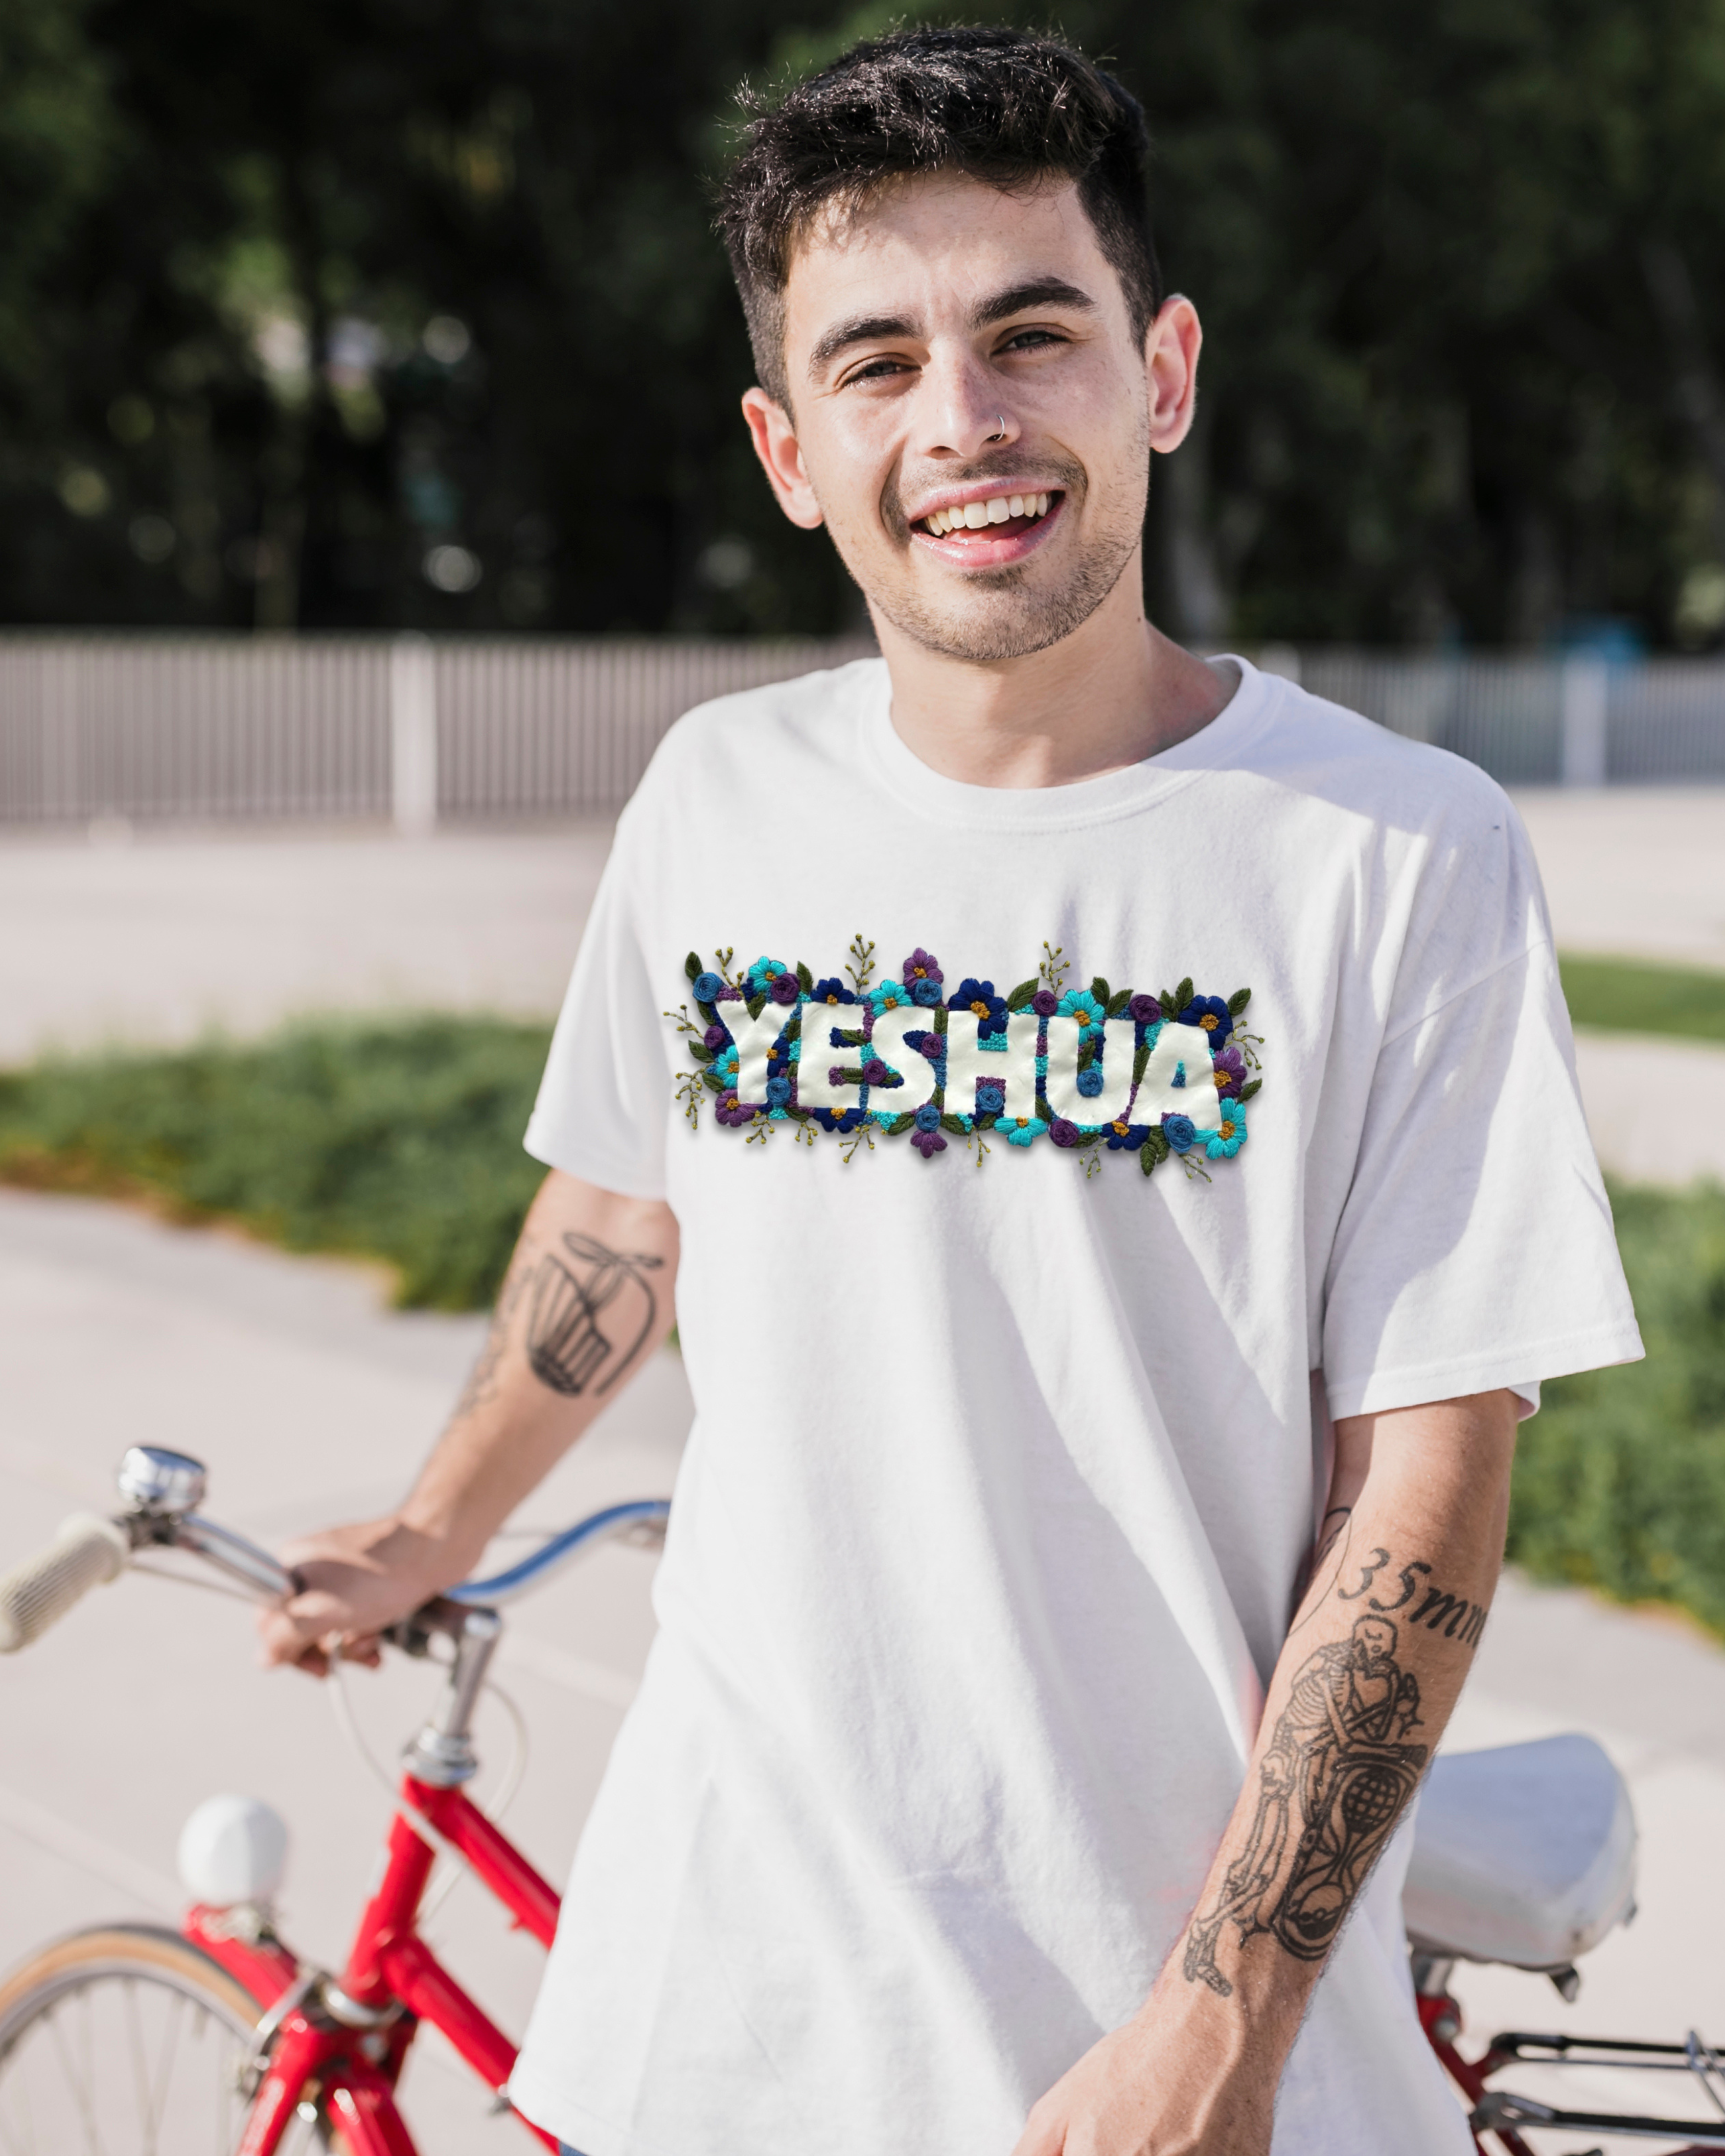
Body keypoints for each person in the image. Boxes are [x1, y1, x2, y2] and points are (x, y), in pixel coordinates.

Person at [260, 26, 1642, 2155]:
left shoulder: (1396, 855)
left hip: (1158, 2053)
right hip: (712, 2021)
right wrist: (439, 1520)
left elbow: (1428, 1486)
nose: (965, 422)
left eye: (1029, 333)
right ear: (785, 445)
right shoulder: (720, 797)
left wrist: (1225, 2027)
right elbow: (630, 1209)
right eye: (877, 360)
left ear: (1161, 371)